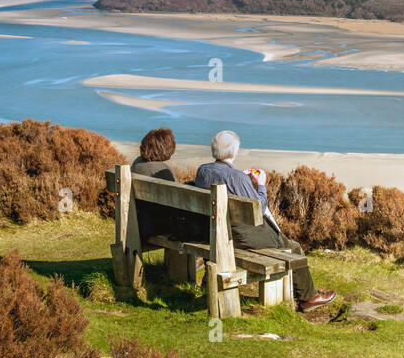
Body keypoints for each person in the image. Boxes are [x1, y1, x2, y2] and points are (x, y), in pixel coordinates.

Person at [195, 129, 335, 310]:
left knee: (286, 243)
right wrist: (261, 185)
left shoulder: (203, 170)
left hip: (213, 232)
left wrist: (242, 181)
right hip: (237, 238)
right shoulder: (236, 177)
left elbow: (224, 183)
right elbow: (258, 210)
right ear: (234, 151)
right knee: (293, 247)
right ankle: (308, 298)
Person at [131, 127, 195, 240]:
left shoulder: (137, 162)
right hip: (155, 225)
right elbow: (178, 200)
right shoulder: (162, 170)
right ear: (163, 148)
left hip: (137, 220)